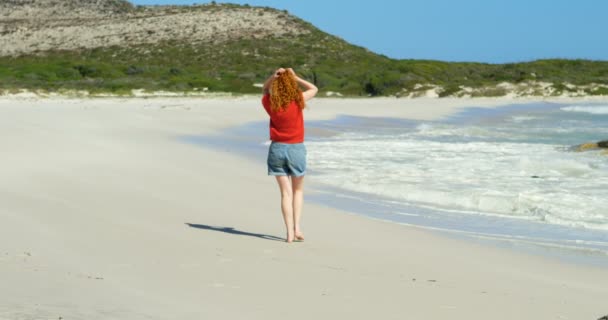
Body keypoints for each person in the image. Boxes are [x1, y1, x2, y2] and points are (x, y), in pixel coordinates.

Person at [261, 68, 318, 243]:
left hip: (277, 149)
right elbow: (314, 89)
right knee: (298, 191)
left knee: (285, 194)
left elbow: (264, 89)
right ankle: (297, 228)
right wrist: (296, 77)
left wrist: (273, 77)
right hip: (296, 149)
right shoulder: (297, 100)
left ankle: (289, 234)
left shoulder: (271, 102)